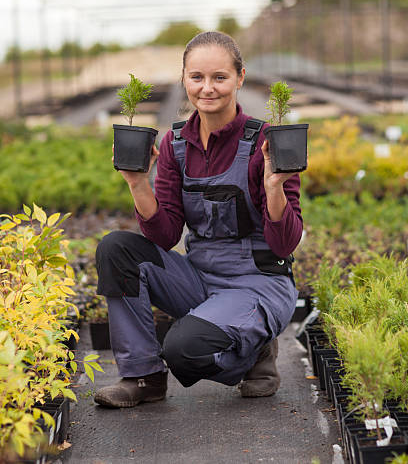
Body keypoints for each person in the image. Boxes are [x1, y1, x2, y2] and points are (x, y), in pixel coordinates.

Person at [94, 31, 303, 408]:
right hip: (201, 279)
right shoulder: (175, 146)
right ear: (184, 79)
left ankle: (255, 351)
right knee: (116, 248)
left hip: (258, 283)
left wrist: (274, 187)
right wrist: (139, 183)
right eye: (197, 77)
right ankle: (143, 377)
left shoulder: (267, 143)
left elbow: (284, 244)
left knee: (183, 350)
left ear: (240, 78)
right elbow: (165, 234)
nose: (208, 88)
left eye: (220, 77)